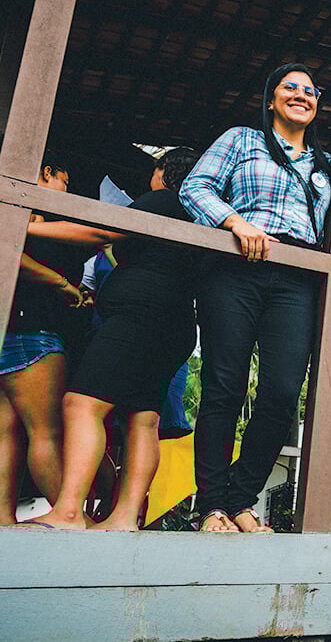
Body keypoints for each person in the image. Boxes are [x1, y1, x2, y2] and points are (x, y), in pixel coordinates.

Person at [180, 63, 331, 533]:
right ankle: (212, 507)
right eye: (290, 88)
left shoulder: (325, 166)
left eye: (310, 91)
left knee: (284, 392)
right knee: (225, 385)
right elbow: (194, 188)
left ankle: (243, 499)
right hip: (236, 269)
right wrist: (237, 223)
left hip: (297, 278)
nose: (301, 95)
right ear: (271, 99)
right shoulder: (242, 139)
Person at [21, 148, 200, 530]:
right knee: (142, 418)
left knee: (81, 405)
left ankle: (68, 512)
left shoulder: (164, 198)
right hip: (174, 323)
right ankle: (123, 519)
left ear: (163, 170)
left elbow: (102, 229)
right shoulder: (197, 210)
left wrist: (22, 224)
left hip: (138, 319)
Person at [1, 162, 83, 525]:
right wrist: (63, 284)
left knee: (8, 431)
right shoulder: (18, 209)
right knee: (46, 433)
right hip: (30, 332)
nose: (67, 186)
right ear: (48, 172)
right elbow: (10, 257)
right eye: (66, 179)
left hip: (10, 329)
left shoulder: (25, 216)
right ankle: (73, 518)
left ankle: (5, 519)